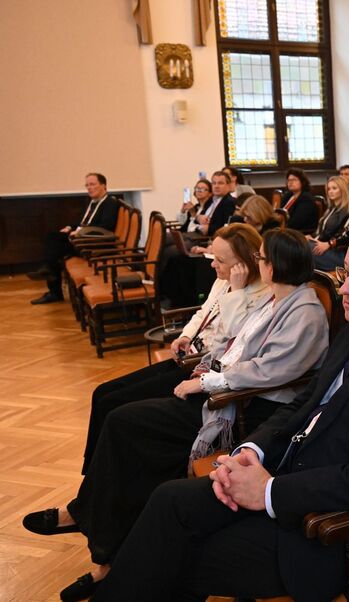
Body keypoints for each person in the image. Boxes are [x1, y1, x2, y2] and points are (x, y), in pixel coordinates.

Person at [86, 227, 349, 602]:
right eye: (346, 273)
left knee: (180, 554)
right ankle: (113, 578)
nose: (345, 288)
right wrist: (251, 450)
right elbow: (305, 403)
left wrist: (268, 492)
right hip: (288, 475)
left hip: (337, 528)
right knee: (170, 500)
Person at [24, 229, 330, 601]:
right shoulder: (277, 299)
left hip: (248, 407)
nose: (258, 263)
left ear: (277, 264)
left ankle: (108, 552)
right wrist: (207, 368)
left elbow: (270, 370)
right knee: (123, 423)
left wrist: (207, 382)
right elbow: (235, 345)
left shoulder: (306, 310)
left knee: (126, 428)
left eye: (262, 257)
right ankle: (106, 545)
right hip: (228, 392)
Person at [79, 224, 270, 473]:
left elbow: (234, 340)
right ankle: (93, 470)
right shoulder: (222, 281)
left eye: (220, 260)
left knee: (115, 406)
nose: (213, 264)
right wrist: (186, 335)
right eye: (213, 256)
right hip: (190, 355)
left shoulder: (259, 294)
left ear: (243, 264)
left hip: (202, 367)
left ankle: (102, 474)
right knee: (102, 393)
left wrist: (238, 291)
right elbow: (203, 313)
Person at [29, 172, 120, 304]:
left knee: (54, 248)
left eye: (92, 184)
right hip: (83, 238)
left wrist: (80, 232)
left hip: (94, 244)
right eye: (87, 185)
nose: (89, 188)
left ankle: (54, 289)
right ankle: (50, 276)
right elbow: (84, 223)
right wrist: (70, 227)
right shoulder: (93, 202)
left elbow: (106, 226)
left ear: (103, 186)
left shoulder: (110, 203)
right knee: (52, 238)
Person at [185, 171, 237, 252]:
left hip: (206, 239)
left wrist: (208, 229)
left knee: (171, 250)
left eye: (220, 183)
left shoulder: (229, 202)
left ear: (228, 185)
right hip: (195, 234)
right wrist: (198, 217)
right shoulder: (210, 200)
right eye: (214, 183)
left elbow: (225, 227)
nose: (216, 186)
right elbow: (197, 218)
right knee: (166, 240)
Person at [309, 175, 349, 243]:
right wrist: (311, 237)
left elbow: (334, 234)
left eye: (334, 188)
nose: (330, 191)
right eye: (329, 189)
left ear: (342, 190)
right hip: (318, 240)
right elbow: (321, 230)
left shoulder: (345, 210)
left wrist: (315, 240)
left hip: (327, 244)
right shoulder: (331, 208)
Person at [281, 168, 318, 233]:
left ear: (302, 182)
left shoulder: (306, 199)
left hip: (300, 233)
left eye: (294, 180)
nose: (290, 182)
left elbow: (296, 223)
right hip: (286, 229)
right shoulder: (288, 196)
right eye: (289, 180)